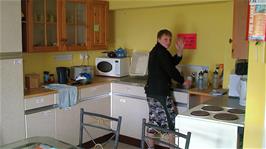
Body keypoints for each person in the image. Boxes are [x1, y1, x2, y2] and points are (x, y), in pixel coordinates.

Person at [144, 29, 188, 149]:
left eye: (170, 39)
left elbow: (171, 62)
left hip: (152, 92)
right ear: (158, 39)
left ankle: (150, 148)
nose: (168, 42)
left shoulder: (158, 50)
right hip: (160, 93)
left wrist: (179, 51)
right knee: (171, 122)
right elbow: (171, 70)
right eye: (165, 39)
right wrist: (183, 81)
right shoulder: (161, 52)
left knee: (153, 121)